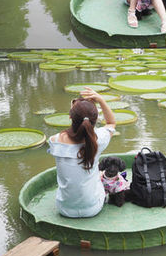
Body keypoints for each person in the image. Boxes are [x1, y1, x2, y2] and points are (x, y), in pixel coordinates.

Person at [47, 88, 117, 218]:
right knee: (100, 174)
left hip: (64, 209)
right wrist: (101, 100)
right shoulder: (99, 139)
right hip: (93, 209)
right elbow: (111, 123)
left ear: (70, 117)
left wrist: (76, 109)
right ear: (95, 119)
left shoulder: (55, 140)